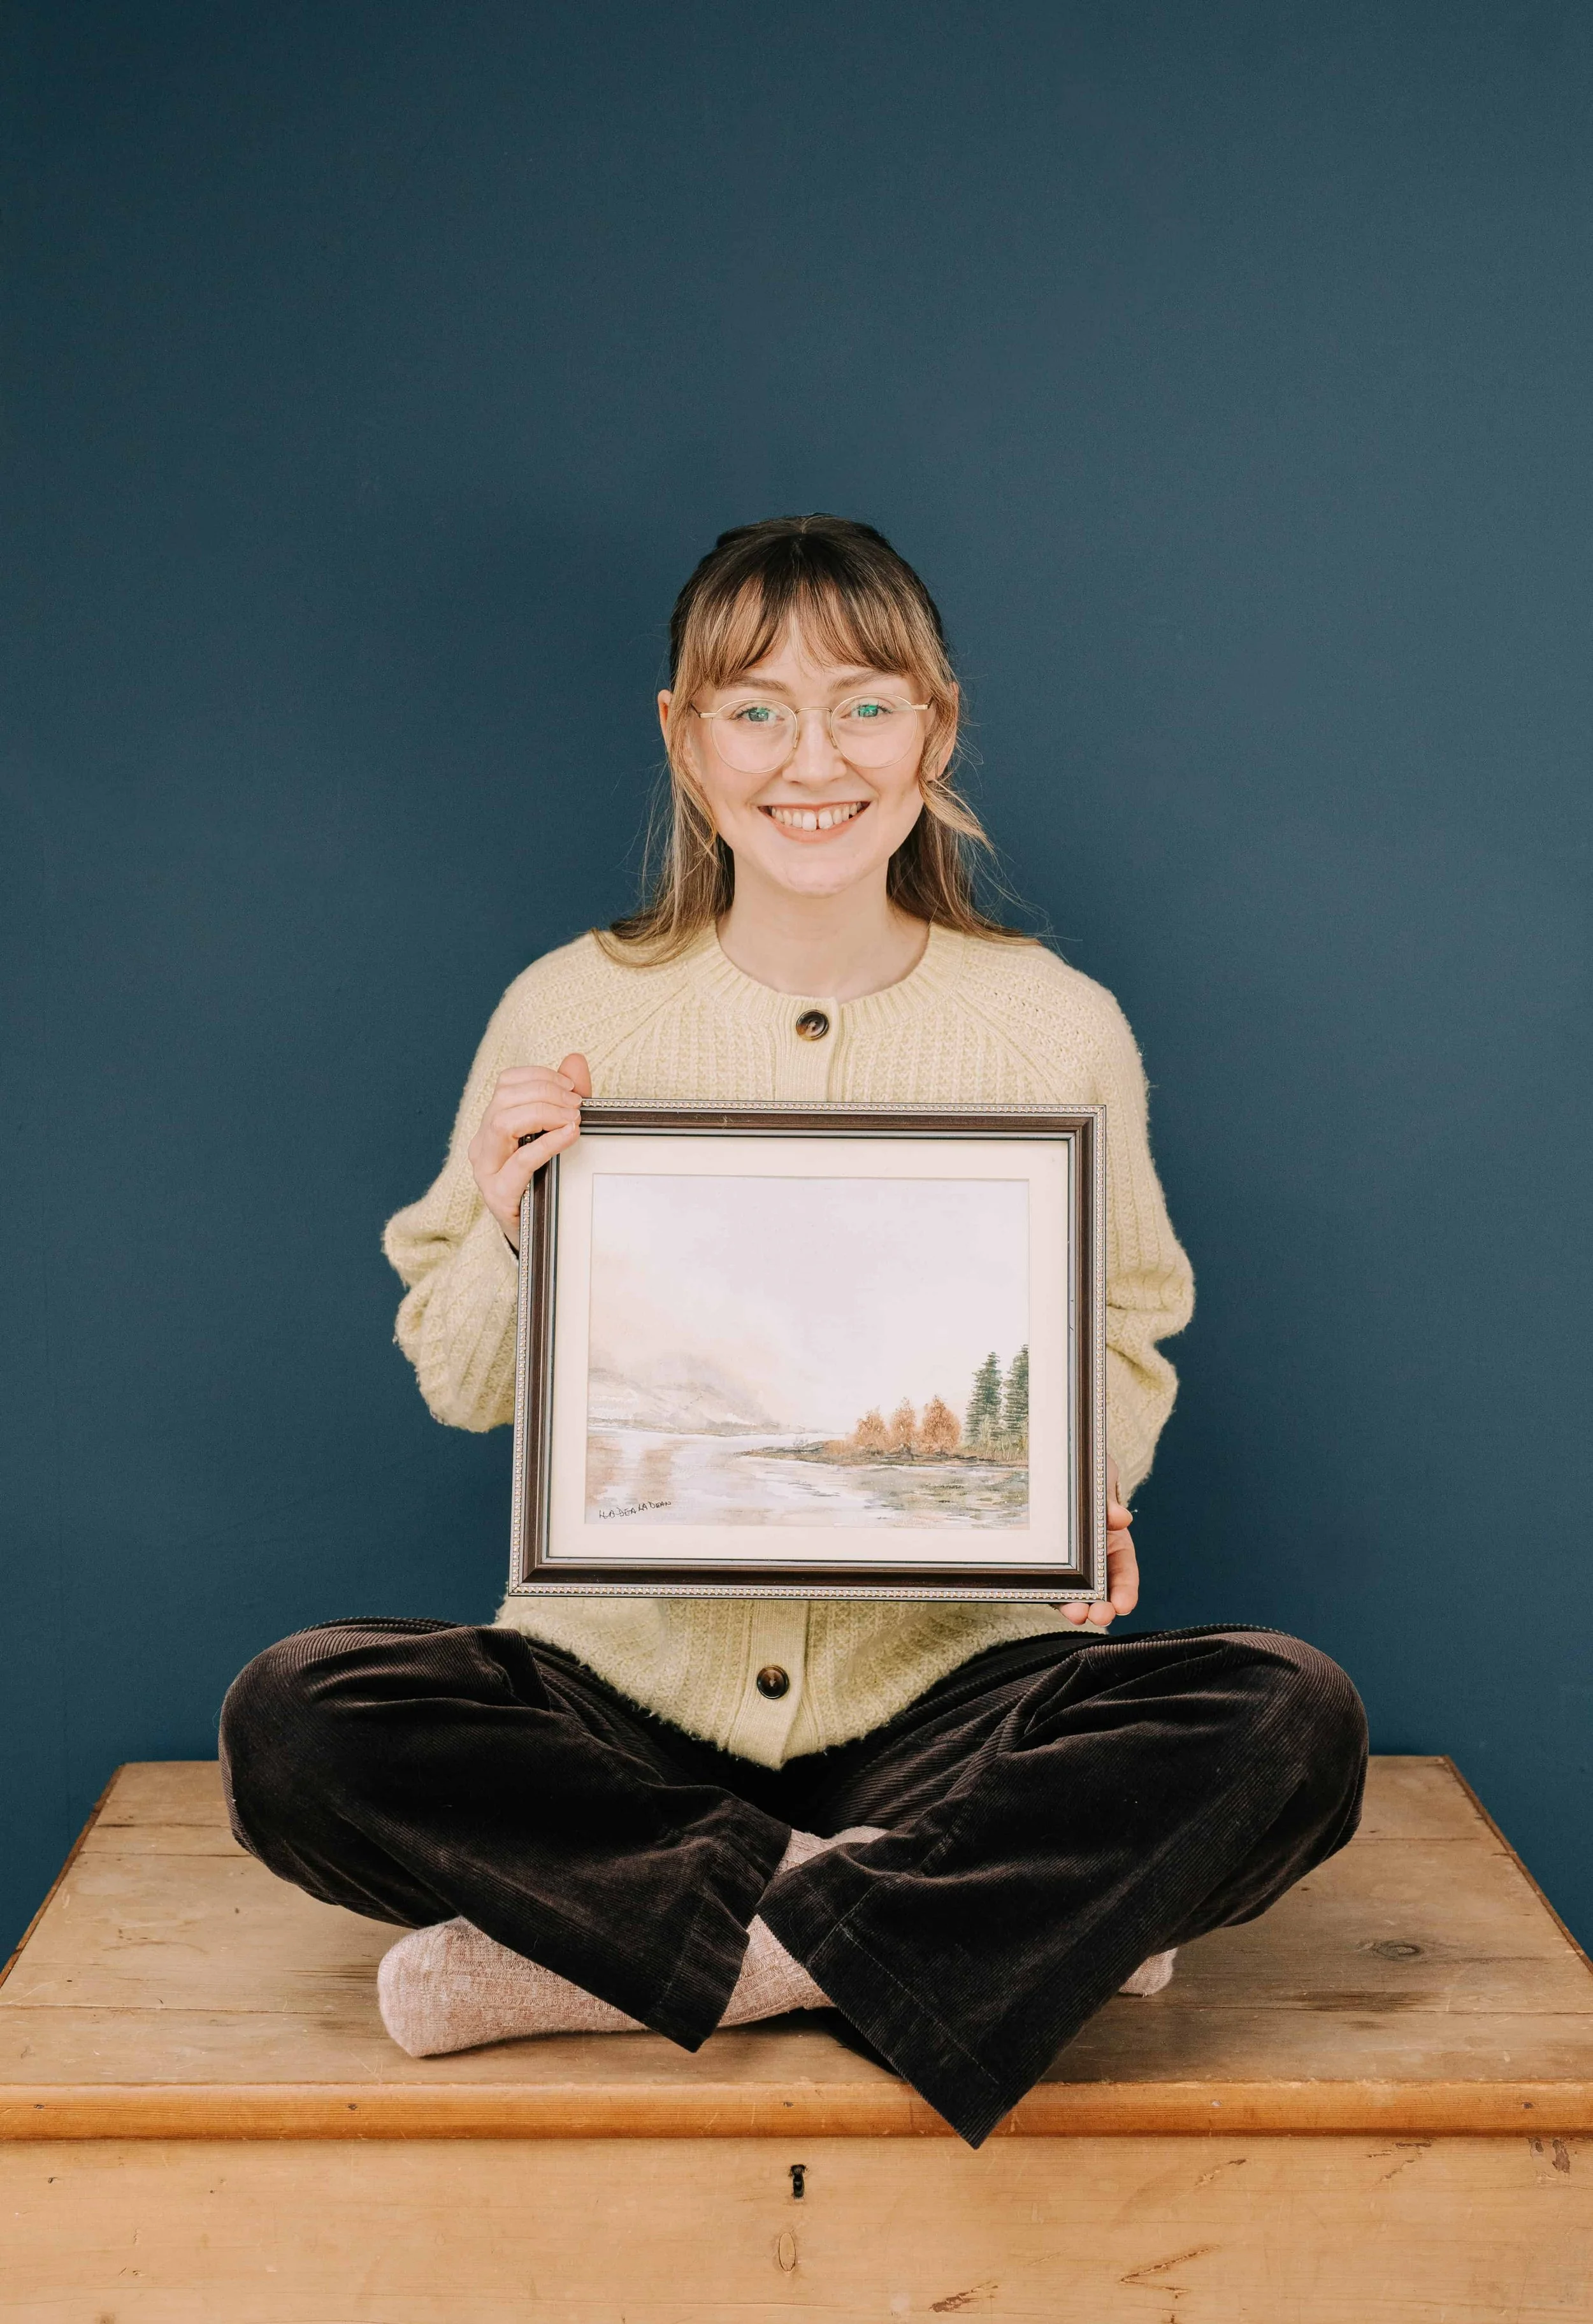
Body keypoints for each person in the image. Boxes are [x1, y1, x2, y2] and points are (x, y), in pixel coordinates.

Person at [219, 515, 1366, 2148]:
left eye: (862, 704)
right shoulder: (570, 1009)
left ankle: (593, 1960)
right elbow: (462, 1381)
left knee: (1289, 1717)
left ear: (934, 728)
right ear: (683, 741)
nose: (807, 758)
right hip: (619, 1709)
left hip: (947, 1708)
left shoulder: (1054, 1023)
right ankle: (972, 1937)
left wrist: (1075, 1499)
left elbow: (1126, 1325)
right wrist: (501, 1216)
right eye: (752, 708)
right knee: (296, 1717)